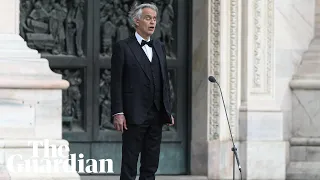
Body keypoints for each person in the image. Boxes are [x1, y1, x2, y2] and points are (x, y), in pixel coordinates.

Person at [110, 2, 174, 180]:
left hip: (156, 115)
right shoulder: (123, 47)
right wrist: (118, 112)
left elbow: (164, 80)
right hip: (133, 115)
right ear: (136, 21)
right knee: (130, 164)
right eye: (148, 18)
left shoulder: (159, 47)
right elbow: (116, 83)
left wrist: (167, 110)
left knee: (151, 164)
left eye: (154, 19)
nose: (152, 22)